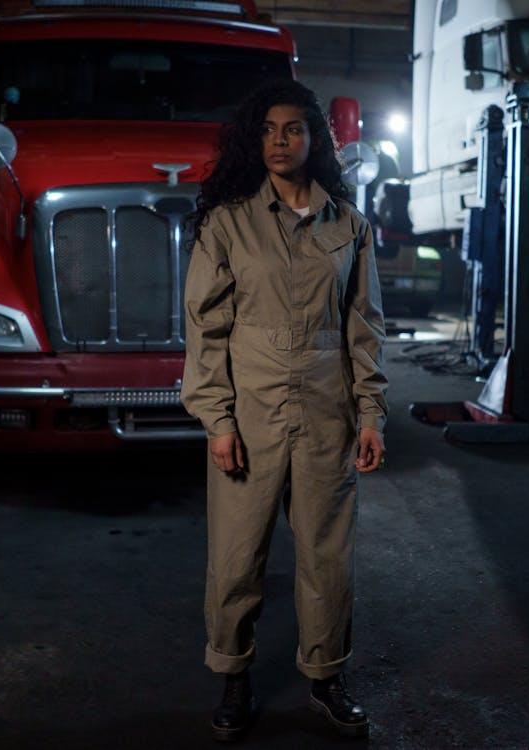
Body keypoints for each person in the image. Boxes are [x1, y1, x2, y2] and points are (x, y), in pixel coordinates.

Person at [181, 79, 388, 742]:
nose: (278, 142)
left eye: (292, 129)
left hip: (327, 413)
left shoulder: (347, 225)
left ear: (314, 140)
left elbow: (363, 326)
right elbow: (204, 325)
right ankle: (233, 677)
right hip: (250, 414)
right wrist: (217, 420)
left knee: (327, 557)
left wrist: (371, 414)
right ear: (255, 138)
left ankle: (327, 681)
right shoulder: (228, 222)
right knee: (237, 557)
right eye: (268, 130)